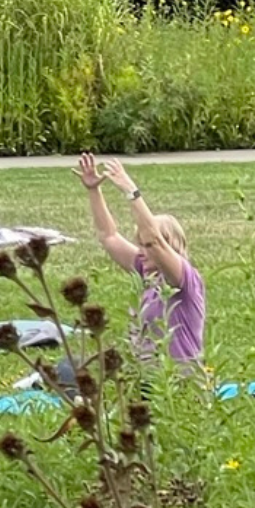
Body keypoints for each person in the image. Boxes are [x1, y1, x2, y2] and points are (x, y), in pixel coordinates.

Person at [79, 154, 204, 365]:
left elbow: (154, 240)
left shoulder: (183, 279)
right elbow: (108, 236)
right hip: (147, 376)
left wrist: (131, 191)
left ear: (168, 246)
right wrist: (94, 190)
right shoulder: (146, 270)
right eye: (140, 244)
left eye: (146, 246)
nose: (141, 251)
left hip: (179, 379)